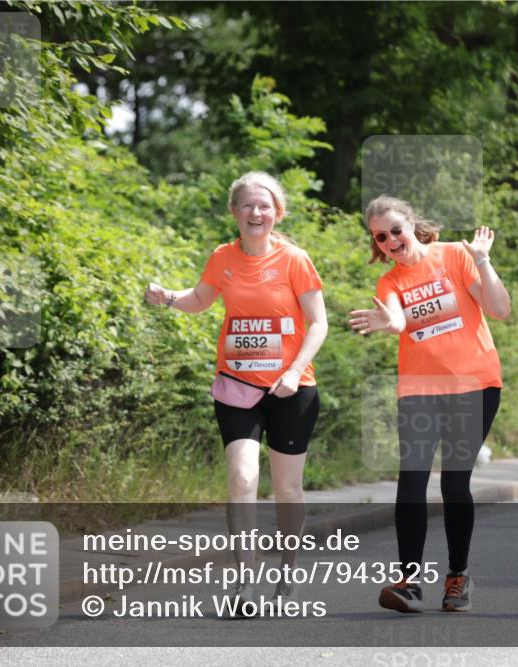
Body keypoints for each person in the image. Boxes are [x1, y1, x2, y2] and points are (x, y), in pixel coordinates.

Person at [145, 171, 328, 611]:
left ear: (277, 212)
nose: (255, 212)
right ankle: (244, 583)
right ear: (234, 212)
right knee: (242, 478)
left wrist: (294, 369)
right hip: (237, 386)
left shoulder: (294, 259)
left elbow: (319, 323)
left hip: (291, 389)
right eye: (246, 205)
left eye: (264, 205)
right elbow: (202, 299)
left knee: (288, 490)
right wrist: (169, 297)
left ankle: (288, 577)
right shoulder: (223, 257)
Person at [349, 195, 511, 613]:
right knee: (412, 479)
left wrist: (483, 262)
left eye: (395, 231)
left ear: (412, 225)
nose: (390, 241)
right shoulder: (389, 283)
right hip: (420, 391)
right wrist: (389, 323)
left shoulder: (457, 255)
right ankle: (408, 582)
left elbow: (500, 309)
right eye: (380, 237)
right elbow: (400, 319)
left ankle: (457, 576)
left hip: (474, 385)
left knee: (454, 484)